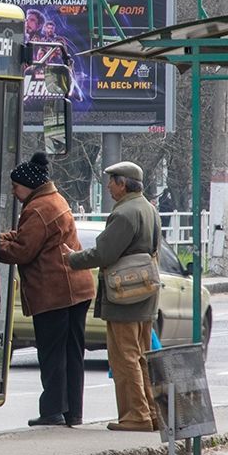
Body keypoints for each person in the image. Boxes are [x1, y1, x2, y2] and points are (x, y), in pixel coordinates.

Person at [0, 152, 95, 427]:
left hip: (56, 291)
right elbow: (26, 236)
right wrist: (3, 235)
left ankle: (52, 410)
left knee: (52, 353)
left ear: (28, 185)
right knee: (72, 352)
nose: (14, 192)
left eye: (16, 187)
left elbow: (23, 250)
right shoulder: (54, 200)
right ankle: (72, 411)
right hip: (77, 288)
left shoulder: (38, 208)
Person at [68, 161, 162, 432]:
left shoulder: (124, 214)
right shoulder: (148, 209)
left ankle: (136, 416)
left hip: (125, 295)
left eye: (111, 181)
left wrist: (72, 259)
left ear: (123, 184)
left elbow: (104, 253)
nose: (108, 186)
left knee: (125, 357)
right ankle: (152, 412)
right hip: (145, 294)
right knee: (142, 355)